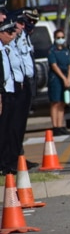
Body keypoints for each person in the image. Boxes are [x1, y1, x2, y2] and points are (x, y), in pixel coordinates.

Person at [12, 8, 41, 169]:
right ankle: (15, 157)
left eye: (33, 22)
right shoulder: (15, 37)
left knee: (21, 125)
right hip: (19, 84)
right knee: (15, 125)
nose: (30, 25)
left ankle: (19, 156)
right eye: (27, 21)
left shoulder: (25, 37)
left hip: (28, 82)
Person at [0, 19, 21, 175]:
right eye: (9, 32)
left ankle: (7, 162)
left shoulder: (5, 48)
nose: (12, 35)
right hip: (3, 93)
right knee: (3, 130)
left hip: (9, 90)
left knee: (8, 129)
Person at [47, 28, 70, 136]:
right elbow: (54, 66)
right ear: (54, 38)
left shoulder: (66, 51)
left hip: (65, 79)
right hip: (56, 79)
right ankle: (55, 126)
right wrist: (63, 78)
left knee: (63, 103)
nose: (60, 39)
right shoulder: (52, 51)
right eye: (58, 37)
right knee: (55, 102)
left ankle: (61, 125)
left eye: (62, 37)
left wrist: (68, 79)